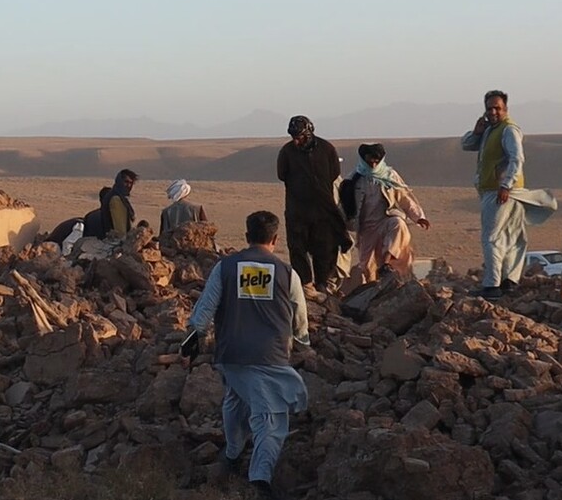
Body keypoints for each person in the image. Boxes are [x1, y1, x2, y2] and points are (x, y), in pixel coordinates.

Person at [181, 211, 309, 500]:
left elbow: (203, 311)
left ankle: (232, 452)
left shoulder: (225, 267)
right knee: (271, 417)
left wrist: (191, 341)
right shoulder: (287, 273)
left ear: (246, 236)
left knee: (234, 399)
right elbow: (300, 317)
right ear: (275, 239)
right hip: (271, 356)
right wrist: (303, 341)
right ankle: (260, 481)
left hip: (232, 353)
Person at [460, 90, 556, 300]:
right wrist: (476, 132)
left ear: (506, 109)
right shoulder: (489, 131)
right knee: (510, 238)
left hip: (501, 191)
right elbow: (466, 145)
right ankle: (508, 281)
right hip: (498, 190)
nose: (493, 112)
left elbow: (516, 158)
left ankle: (492, 285)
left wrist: (506, 184)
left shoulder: (509, 130)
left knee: (492, 237)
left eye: (497, 108)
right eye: (489, 109)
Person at [276, 115, 350, 292]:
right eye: (293, 137)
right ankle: (305, 284)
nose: (296, 141)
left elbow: (333, 173)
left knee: (324, 247)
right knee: (297, 246)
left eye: (300, 137)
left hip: (322, 208)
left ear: (309, 133)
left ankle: (323, 283)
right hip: (297, 208)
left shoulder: (327, 149)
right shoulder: (287, 152)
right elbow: (282, 174)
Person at [344, 143, 429, 284]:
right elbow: (344, 204)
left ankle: (386, 263)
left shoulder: (389, 176)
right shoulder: (354, 179)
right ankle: (371, 295)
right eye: (369, 161)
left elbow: (404, 197)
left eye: (376, 161)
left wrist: (418, 217)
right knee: (367, 267)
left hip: (385, 220)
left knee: (398, 224)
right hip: (366, 228)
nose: (373, 164)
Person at [88, 170, 139, 239]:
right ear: (120, 181)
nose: (129, 185)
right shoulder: (116, 199)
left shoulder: (119, 197)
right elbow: (120, 230)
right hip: (115, 241)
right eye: (126, 182)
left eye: (131, 183)